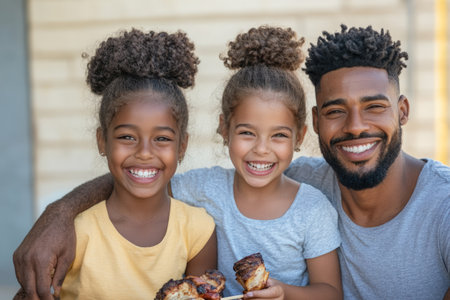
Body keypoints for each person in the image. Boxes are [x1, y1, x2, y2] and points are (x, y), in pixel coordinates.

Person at [13, 26, 342, 300]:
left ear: (300, 136)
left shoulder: (311, 210)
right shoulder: (202, 189)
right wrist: (60, 213)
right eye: (246, 132)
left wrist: (283, 292)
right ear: (223, 129)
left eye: (279, 136)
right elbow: (139, 183)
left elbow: (331, 293)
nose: (261, 149)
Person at [15, 28, 218, 300]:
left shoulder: (197, 230)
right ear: (102, 141)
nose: (145, 152)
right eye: (126, 137)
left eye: (161, 138)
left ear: (182, 146)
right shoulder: (75, 233)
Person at [284, 25, 449, 299]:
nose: (356, 127)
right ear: (315, 121)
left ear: (402, 111)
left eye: (374, 107)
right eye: (336, 111)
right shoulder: (296, 186)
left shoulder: (443, 205)